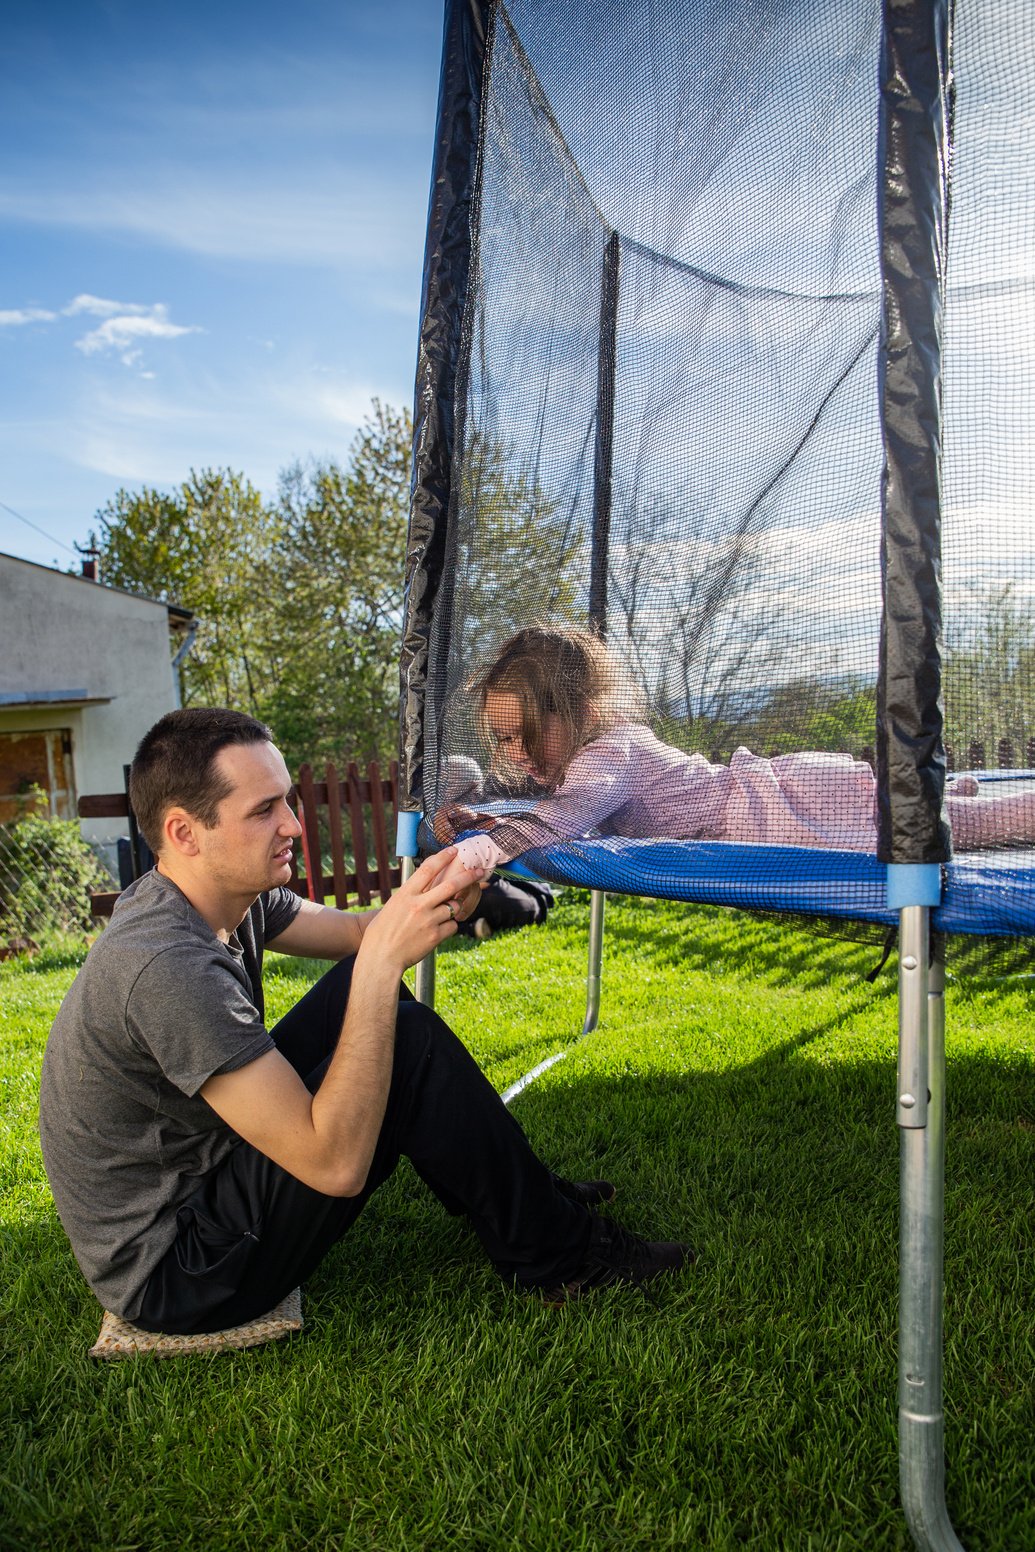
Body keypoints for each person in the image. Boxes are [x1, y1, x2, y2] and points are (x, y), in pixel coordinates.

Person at [38, 708, 689, 1335]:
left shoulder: (223, 897)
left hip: (210, 1171)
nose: (293, 825)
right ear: (184, 832)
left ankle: (526, 1199)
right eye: (263, 811)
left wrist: (437, 895)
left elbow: (357, 932)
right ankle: (564, 1260)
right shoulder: (165, 965)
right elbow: (334, 1167)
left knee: (365, 986)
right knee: (403, 1038)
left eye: (286, 800)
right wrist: (380, 964)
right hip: (178, 1271)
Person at [433, 625, 1035, 868]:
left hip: (786, 809)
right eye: (505, 739)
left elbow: (556, 824)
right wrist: (485, 819)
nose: (514, 753)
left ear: (579, 711)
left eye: (526, 735)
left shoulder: (603, 759)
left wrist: (479, 851)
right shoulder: (602, 754)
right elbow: (557, 816)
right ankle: (936, 788)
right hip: (786, 787)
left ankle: (963, 798)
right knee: (912, 803)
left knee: (974, 827)